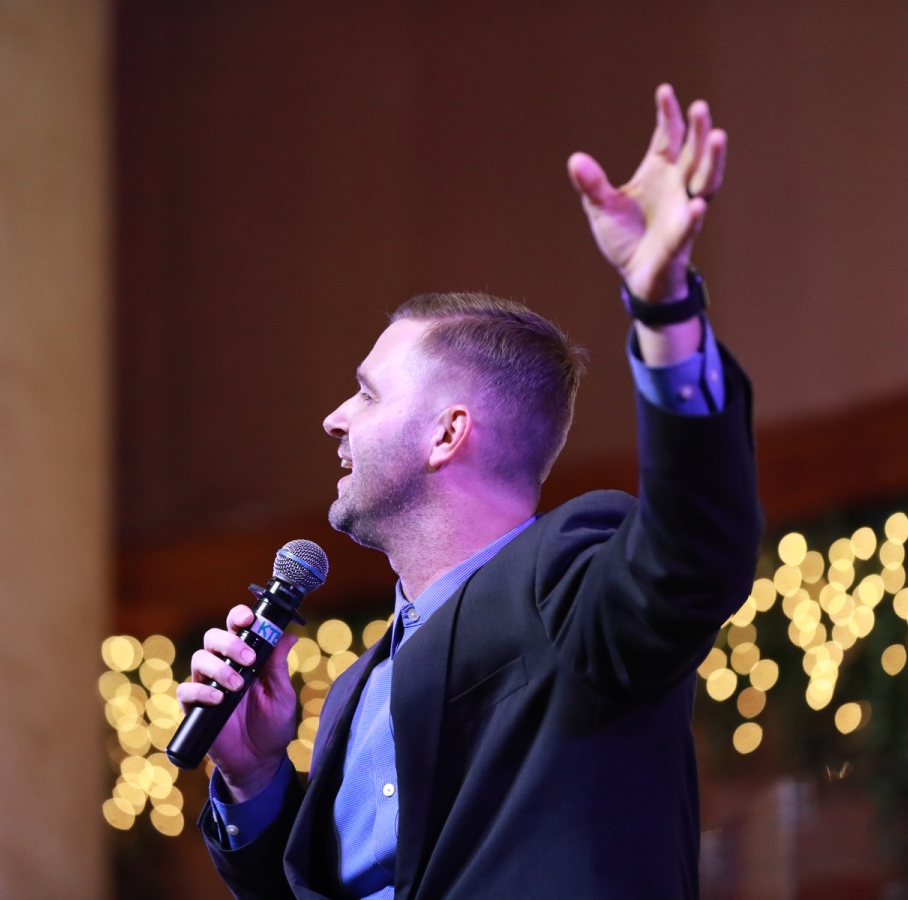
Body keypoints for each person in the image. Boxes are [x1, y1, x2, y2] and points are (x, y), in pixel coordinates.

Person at [179, 84, 763, 899]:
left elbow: (693, 557)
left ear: (447, 434)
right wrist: (254, 779)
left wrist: (664, 311)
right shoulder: (350, 694)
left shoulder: (566, 584)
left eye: (367, 394)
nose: (333, 418)